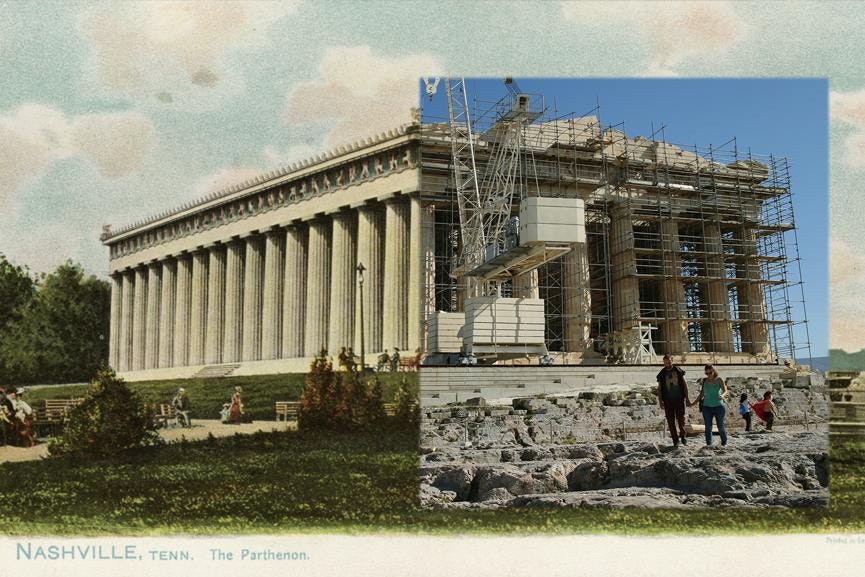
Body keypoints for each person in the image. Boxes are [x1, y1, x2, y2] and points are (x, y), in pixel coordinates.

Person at [656, 354, 690, 447]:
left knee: (681, 419)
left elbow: (684, 384)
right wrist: (660, 401)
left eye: (669, 361)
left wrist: (687, 397)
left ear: (672, 361)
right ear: (664, 362)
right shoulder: (662, 374)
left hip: (679, 398)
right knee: (670, 421)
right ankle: (675, 440)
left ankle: (683, 436)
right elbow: (659, 389)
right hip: (667, 400)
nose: (667, 363)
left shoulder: (678, 370)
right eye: (665, 362)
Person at [693, 364, 729, 447]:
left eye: (710, 373)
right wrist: (693, 403)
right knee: (708, 427)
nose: (708, 375)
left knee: (720, 426)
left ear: (713, 371)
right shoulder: (704, 381)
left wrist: (722, 396)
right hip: (706, 407)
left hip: (719, 406)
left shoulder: (719, 379)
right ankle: (709, 444)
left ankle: (724, 442)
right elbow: (701, 394)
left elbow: (725, 390)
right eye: (706, 373)